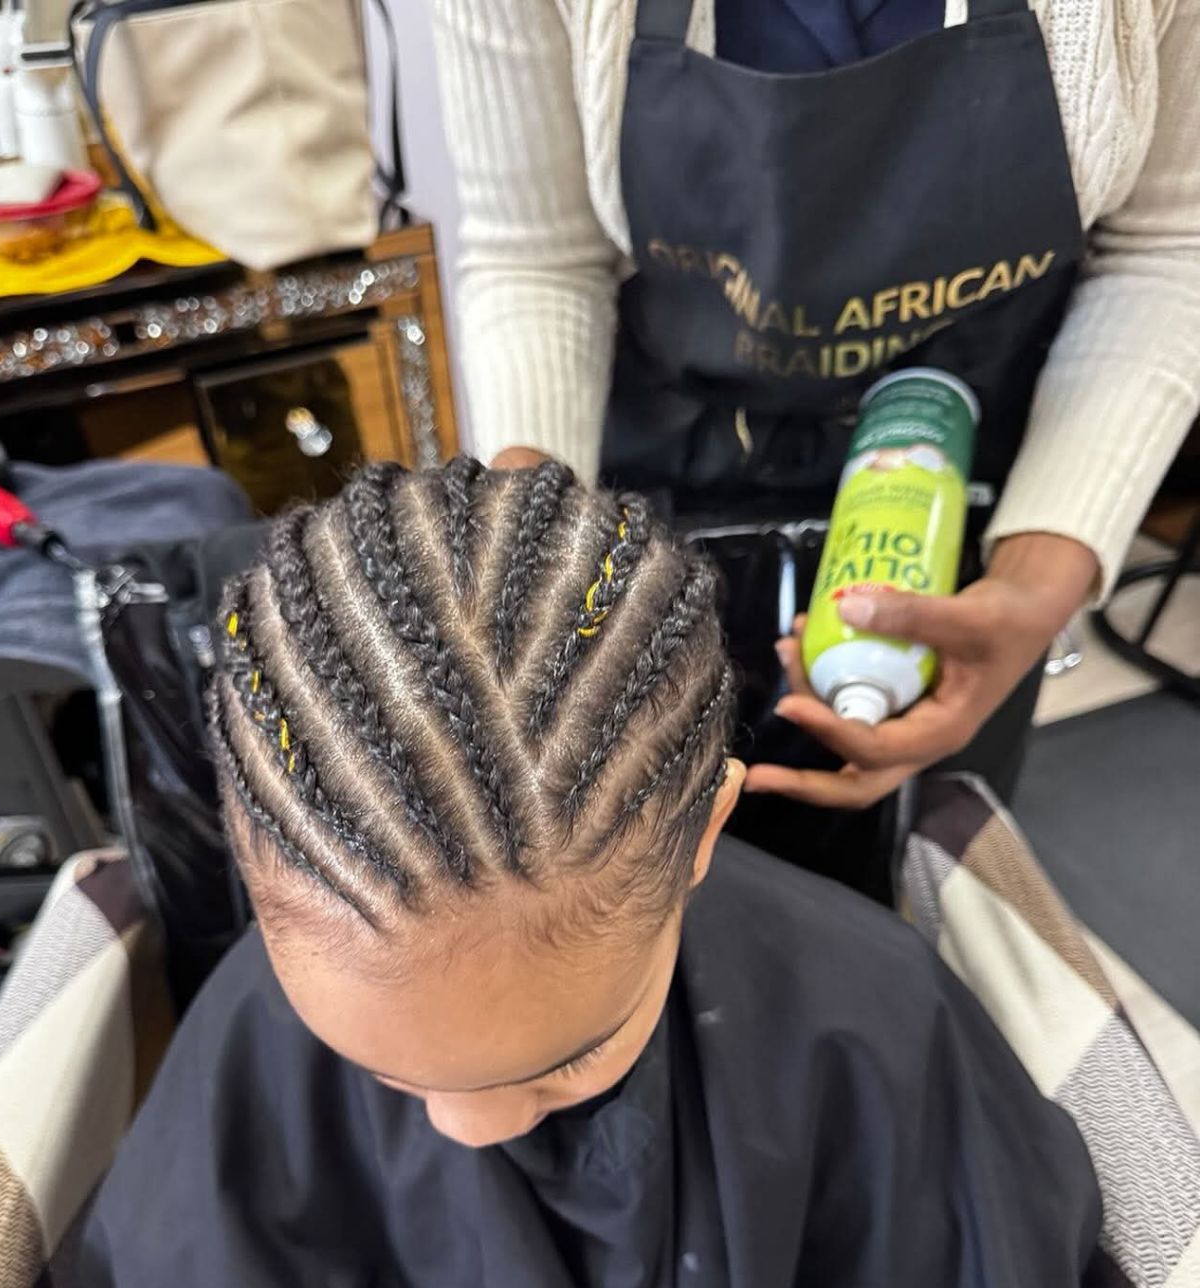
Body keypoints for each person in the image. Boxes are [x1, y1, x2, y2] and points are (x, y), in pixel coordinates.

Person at [81, 459, 1104, 1288]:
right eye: (373, 1065)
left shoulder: (869, 1032)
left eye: (563, 1060)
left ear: (707, 821)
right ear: (254, 852)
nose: (465, 1130)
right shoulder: (241, 1062)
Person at [429, 0, 1200, 893]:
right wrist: (533, 571)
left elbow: (1169, 244)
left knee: (903, 893)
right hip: (671, 474)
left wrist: (1037, 580)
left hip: (968, 498)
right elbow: (537, 254)